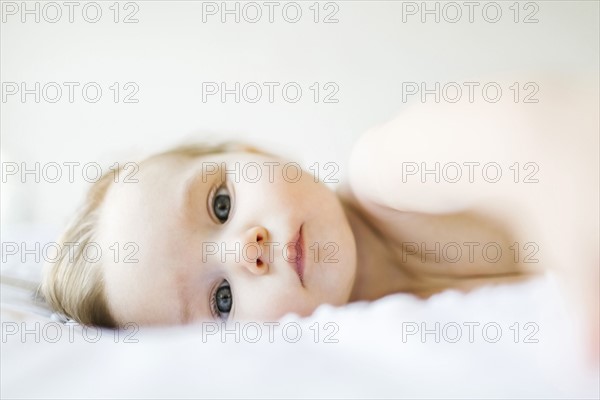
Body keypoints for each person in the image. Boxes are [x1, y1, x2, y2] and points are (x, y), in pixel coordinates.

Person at [40, 75, 598, 346]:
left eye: (221, 203)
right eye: (223, 299)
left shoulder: (388, 168)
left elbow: (536, 132)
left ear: (253, 152)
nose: (246, 249)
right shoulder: (376, 346)